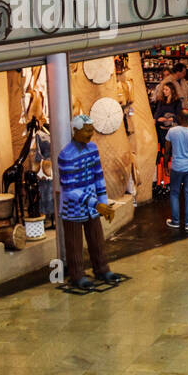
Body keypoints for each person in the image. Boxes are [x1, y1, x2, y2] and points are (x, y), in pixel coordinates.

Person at [57, 115, 124, 290]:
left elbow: (98, 176)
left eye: (91, 129)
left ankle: (102, 269)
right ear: (76, 131)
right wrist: (96, 203)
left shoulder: (93, 149)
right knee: (74, 243)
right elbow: (69, 189)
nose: (90, 133)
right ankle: (77, 275)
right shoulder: (66, 155)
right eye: (87, 130)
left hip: (93, 205)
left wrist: (103, 203)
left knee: (97, 239)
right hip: (73, 208)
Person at [165, 108, 188, 231]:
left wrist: (165, 166)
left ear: (179, 119)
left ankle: (175, 221)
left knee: (175, 194)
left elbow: (167, 152)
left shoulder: (172, 131)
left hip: (177, 167)